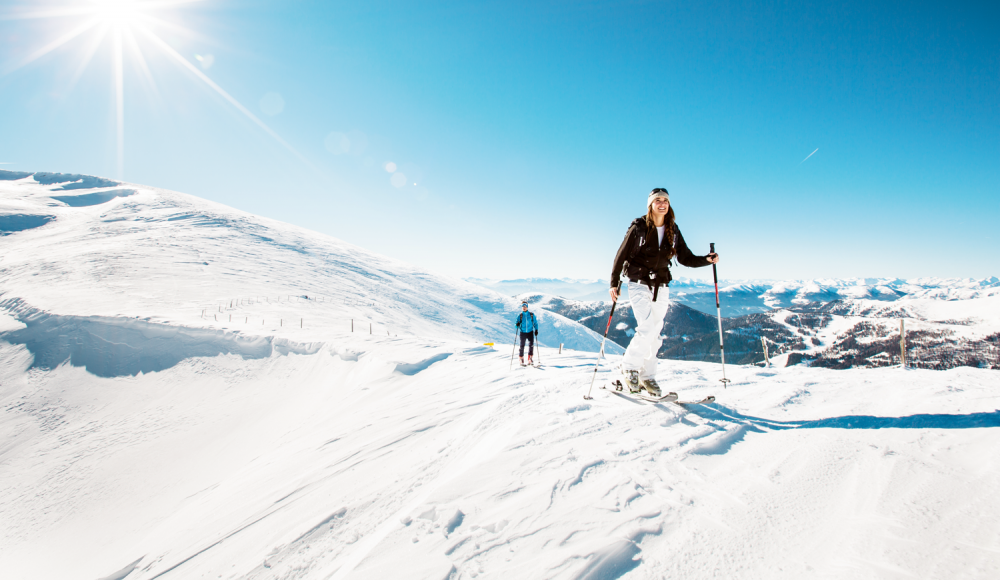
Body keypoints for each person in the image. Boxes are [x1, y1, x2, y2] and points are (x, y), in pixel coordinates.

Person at [609, 188, 719, 396]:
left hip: (661, 285)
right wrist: (613, 283)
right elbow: (621, 254)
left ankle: (647, 376)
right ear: (650, 205)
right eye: (657, 200)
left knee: (656, 333)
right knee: (647, 327)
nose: (662, 203)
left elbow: (685, 258)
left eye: (665, 200)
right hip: (639, 283)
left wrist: (706, 260)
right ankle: (629, 367)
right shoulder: (639, 227)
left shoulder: (672, 229)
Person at [515, 300, 539, 366]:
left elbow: (535, 323)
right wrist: (517, 324)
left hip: (530, 332)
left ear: (527, 307)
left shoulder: (531, 315)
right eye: (523, 306)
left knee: (531, 345)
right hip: (523, 332)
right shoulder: (520, 315)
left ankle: (530, 358)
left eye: (525, 306)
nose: (524, 307)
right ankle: (521, 359)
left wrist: (536, 330)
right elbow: (516, 325)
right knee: (522, 346)